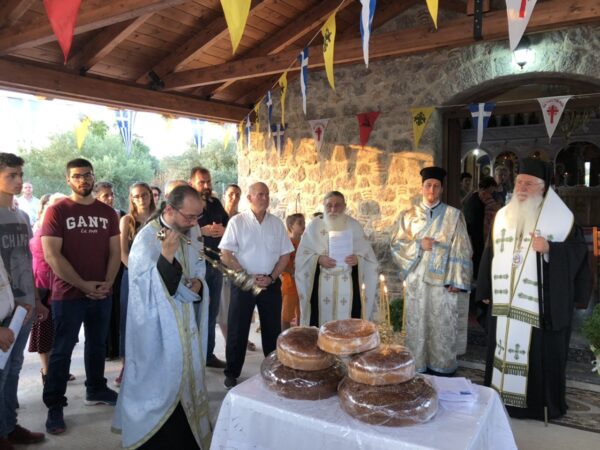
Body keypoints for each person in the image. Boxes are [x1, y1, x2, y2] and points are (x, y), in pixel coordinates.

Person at [476, 158, 591, 420]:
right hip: (504, 304)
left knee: (537, 356)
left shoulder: (561, 219)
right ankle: (500, 400)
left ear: (542, 187)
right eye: (519, 183)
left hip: (539, 306)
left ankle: (536, 407)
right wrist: (485, 289)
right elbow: (490, 253)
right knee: (501, 349)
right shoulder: (503, 216)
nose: (521, 188)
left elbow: (578, 257)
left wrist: (551, 249)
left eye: (528, 184)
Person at [113, 184, 211, 449]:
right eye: (189, 217)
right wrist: (166, 256)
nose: (194, 223)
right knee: (163, 381)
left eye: (198, 216)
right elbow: (143, 290)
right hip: (157, 331)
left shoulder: (190, 231)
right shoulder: (146, 239)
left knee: (185, 377)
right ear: (169, 210)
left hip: (185, 323)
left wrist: (199, 283)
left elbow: (198, 266)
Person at [41, 158, 121, 435]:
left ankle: (96, 388)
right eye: (77, 176)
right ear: (68, 180)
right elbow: (52, 255)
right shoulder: (57, 211)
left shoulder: (108, 213)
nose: (83, 180)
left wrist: (107, 283)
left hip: (102, 293)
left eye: (87, 175)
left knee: (97, 345)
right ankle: (54, 405)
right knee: (62, 350)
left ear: (93, 177)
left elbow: (115, 252)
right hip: (68, 294)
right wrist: (83, 285)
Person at [391, 167, 472, 375]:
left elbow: (462, 248)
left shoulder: (453, 215)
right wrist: (418, 245)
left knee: (442, 323)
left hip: (443, 282)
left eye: (436, 186)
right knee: (418, 322)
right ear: (422, 187)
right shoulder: (408, 216)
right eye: (428, 185)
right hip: (417, 280)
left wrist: (456, 280)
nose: (432, 190)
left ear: (442, 189)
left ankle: (441, 367)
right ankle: (418, 365)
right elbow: (396, 244)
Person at [219, 182, 293, 389]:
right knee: (238, 329)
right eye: (260, 194)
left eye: (267, 194)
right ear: (249, 198)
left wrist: (272, 277)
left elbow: (285, 255)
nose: (265, 198)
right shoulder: (237, 222)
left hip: (270, 283)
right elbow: (226, 253)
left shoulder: (276, 223)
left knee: (272, 329)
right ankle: (232, 372)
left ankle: (273, 370)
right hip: (244, 282)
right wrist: (246, 275)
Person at [0, 153, 48, 449]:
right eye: (11, 175)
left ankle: (8, 425)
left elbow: (28, 263)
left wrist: (37, 299)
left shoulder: (22, 217)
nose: (18, 181)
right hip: (3, 310)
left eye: (20, 175)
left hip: (25, 305)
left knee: (14, 368)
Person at [295, 191, 378, 326]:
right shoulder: (314, 227)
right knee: (320, 324)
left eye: (337, 205)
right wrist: (318, 259)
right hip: (321, 286)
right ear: (324, 205)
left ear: (344, 206)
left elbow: (369, 258)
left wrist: (358, 260)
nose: (333, 209)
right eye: (329, 205)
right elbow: (301, 257)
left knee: (347, 325)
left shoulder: (354, 226)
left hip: (348, 284)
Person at [28, 193, 75, 385]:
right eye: (55, 205)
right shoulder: (39, 228)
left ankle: (60, 369)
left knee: (63, 333)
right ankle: (47, 371)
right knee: (45, 332)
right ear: (45, 207)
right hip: (43, 287)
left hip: (63, 286)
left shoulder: (64, 228)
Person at [115, 182, 156, 386]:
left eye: (144, 195)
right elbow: (122, 252)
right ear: (131, 198)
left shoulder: (159, 219)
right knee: (128, 320)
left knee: (152, 321)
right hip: (132, 277)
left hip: (156, 277)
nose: (141, 199)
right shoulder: (126, 220)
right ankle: (127, 366)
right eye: (136, 196)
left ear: (150, 196)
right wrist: (137, 273)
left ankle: (151, 365)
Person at [190, 167, 228, 369]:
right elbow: (178, 230)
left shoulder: (215, 203)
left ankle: (208, 355)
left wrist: (223, 230)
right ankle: (192, 357)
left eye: (208, 181)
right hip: (195, 268)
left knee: (211, 313)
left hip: (216, 265)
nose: (206, 185)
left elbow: (230, 226)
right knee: (194, 313)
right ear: (191, 183)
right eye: (201, 182)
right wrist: (200, 230)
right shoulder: (186, 204)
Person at [217, 184, 256, 350]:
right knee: (225, 307)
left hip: (240, 267)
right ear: (224, 195)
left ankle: (242, 338)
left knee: (241, 307)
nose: (234, 198)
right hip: (222, 266)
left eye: (238, 195)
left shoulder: (242, 218)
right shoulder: (217, 215)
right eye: (231, 194)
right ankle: (229, 341)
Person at [94, 181, 125, 360]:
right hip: (98, 266)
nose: (110, 198)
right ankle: (104, 348)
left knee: (116, 307)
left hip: (118, 267)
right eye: (106, 195)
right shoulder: (92, 216)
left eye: (112, 194)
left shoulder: (121, 215)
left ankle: (116, 347)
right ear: (96, 196)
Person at [462, 176, 501, 279]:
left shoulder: (475, 194)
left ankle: (475, 274)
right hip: (479, 227)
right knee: (479, 251)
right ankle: (479, 275)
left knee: (475, 251)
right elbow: (494, 209)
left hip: (471, 226)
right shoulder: (485, 194)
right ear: (490, 186)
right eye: (493, 188)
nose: (493, 191)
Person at [281, 213, 305, 330]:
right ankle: (283, 337)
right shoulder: (287, 244)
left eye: (304, 222)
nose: (303, 225)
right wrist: (293, 271)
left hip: (303, 285)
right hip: (290, 285)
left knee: (302, 314)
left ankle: (298, 336)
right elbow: (281, 264)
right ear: (291, 226)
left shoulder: (305, 244)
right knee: (286, 316)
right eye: (300, 223)